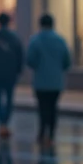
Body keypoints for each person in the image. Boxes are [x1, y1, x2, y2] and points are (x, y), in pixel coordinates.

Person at [25, 14, 71, 144]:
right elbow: (67, 61)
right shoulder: (60, 40)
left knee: (42, 107)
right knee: (53, 107)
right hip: (56, 81)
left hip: (40, 81)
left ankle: (42, 131)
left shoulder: (35, 40)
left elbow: (30, 60)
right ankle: (51, 133)